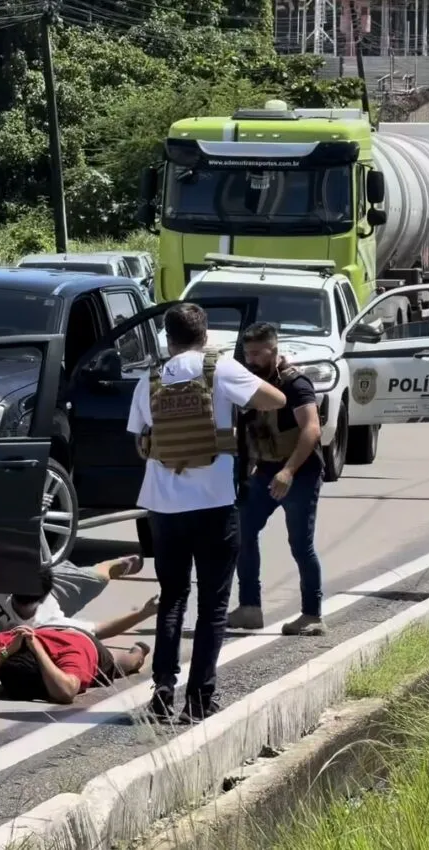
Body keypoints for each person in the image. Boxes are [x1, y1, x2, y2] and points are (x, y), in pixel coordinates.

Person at [127, 303, 287, 723]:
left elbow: (138, 438)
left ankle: (162, 691)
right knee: (213, 605)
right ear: (206, 335)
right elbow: (276, 399)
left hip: (163, 505)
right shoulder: (221, 369)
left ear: (168, 337)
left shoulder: (152, 377)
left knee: (172, 599)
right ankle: (200, 699)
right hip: (214, 503)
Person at [228, 322, 325, 636]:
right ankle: (250, 608)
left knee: (300, 545)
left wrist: (288, 471)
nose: (252, 359)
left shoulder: (296, 384)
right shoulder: (252, 384)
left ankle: (312, 615)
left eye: (258, 353)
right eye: (248, 353)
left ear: (274, 349)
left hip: (300, 472)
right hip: (267, 471)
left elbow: (312, 429)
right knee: (243, 530)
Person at [0, 555, 149, 638]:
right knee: (94, 579)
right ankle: (109, 566)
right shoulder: (45, 621)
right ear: (44, 597)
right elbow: (100, 630)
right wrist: (146, 612)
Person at [0, 624, 151, 703]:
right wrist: (3, 654)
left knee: (123, 663)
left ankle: (138, 652)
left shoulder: (70, 652)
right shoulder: (4, 642)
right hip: (45, 629)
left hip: (82, 641)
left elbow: (65, 692)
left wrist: (36, 648)